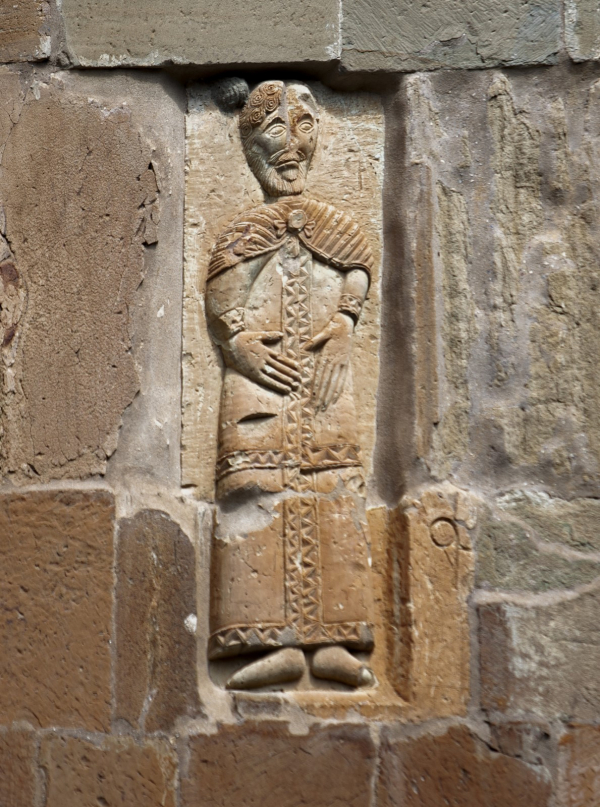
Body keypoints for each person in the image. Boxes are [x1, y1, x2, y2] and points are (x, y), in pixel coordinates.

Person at [206, 80, 375, 689]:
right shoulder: (243, 230)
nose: (291, 146)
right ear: (251, 147)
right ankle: (263, 639)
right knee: (251, 489)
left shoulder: (333, 223)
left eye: (302, 130)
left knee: (336, 487)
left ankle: (332, 640)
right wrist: (240, 345)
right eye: (274, 131)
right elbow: (223, 294)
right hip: (259, 385)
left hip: (325, 378)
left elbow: (358, 264)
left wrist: (344, 324)